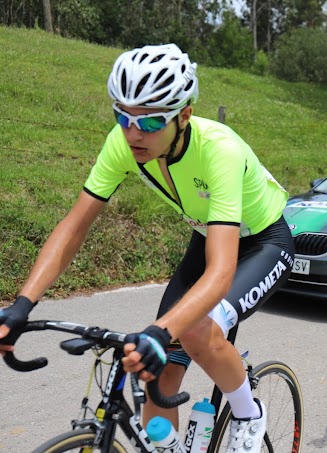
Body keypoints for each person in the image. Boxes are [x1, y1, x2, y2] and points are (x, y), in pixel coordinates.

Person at [0, 43, 294, 452]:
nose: (133, 133)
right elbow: (73, 227)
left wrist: (162, 331)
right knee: (154, 374)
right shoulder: (122, 143)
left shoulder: (218, 149)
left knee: (191, 331)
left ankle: (248, 414)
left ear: (184, 115)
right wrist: (23, 303)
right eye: (123, 116)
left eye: (151, 122)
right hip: (207, 235)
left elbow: (222, 270)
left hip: (264, 244)